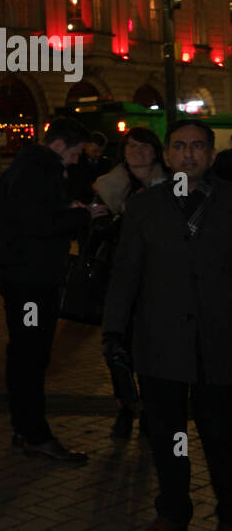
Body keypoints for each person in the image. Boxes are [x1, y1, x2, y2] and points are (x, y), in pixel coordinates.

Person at [102, 120, 232, 531]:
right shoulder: (145, 207)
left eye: (198, 146)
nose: (189, 154)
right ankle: (172, 511)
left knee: (221, 435)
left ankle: (229, 519)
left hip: (219, 342)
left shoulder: (229, 202)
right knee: (167, 433)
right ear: (168, 155)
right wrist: (114, 330)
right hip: (161, 342)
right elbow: (126, 273)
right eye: (179, 146)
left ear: (211, 155)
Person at [0, 118, 108, 462]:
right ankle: (35, 434)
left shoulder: (27, 166)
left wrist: (67, 211)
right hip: (32, 282)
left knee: (24, 353)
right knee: (32, 353)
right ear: (59, 145)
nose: (76, 160)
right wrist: (83, 216)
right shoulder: (39, 169)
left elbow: (33, 217)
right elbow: (37, 224)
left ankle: (24, 427)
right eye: (75, 153)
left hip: (21, 277)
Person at [91, 126, 168, 438]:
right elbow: (95, 228)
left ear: (156, 150)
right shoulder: (109, 185)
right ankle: (125, 405)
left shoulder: (171, 183)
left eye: (144, 146)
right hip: (118, 276)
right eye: (132, 146)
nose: (138, 151)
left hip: (160, 278)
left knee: (153, 346)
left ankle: (150, 408)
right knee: (117, 345)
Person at [67, 130, 111, 203]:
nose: (98, 154)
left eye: (101, 151)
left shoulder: (106, 163)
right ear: (86, 146)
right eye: (95, 151)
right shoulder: (75, 162)